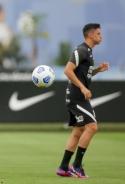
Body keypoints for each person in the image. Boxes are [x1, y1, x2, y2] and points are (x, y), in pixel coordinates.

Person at [56, 23, 110, 178]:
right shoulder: (81, 50)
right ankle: (77, 166)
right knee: (92, 127)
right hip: (77, 96)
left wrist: (98, 70)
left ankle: (63, 167)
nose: (101, 36)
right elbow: (67, 70)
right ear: (90, 35)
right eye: (99, 34)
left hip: (77, 95)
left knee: (78, 131)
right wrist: (83, 88)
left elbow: (83, 74)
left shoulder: (88, 52)